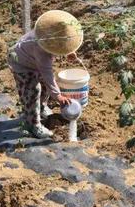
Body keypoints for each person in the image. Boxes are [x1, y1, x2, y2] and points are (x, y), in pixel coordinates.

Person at [8, 10, 83, 139]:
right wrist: (58, 96)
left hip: (32, 60)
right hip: (21, 64)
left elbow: (58, 43)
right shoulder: (41, 50)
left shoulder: (50, 33)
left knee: (44, 83)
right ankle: (33, 124)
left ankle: (41, 107)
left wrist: (68, 51)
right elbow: (47, 74)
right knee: (33, 91)